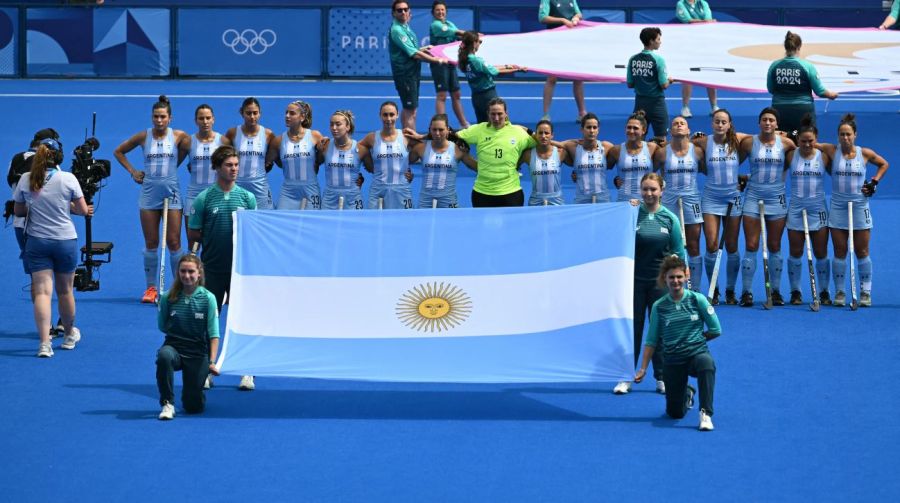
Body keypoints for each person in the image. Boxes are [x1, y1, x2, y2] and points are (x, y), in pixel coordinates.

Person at [13, 139, 92, 357]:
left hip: (37, 242)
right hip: (65, 241)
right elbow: (83, 210)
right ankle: (68, 336)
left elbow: (19, 212)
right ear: (58, 157)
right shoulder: (68, 179)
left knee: (42, 292)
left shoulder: (25, 179)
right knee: (65, 291)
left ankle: (44, 344)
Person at [187, 145, 257, 390]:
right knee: (209, 319)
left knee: (244, 320)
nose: (234, 169)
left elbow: (254, 234)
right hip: (212, 270)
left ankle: (247, 371)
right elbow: (194, 233)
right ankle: (208, 368)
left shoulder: (248, 198)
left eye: (236, 165)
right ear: (217, 168)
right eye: (229, 165)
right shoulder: (204, 198)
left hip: (240, 272)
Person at [114, 95, 190, 304]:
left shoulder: (179, 136)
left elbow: (187, 152)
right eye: (156, 117)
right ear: (152, 117)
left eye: (163, 117)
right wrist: (133, 172)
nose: (159, 120)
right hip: (148, 194)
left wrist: (174, 168)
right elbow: (119, 151)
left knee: (174, 242)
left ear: (170, 118)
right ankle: (151, 288)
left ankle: (178, 287)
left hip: (172, 192)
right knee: (151, 242)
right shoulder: (142, 137)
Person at [615, 173, 684, 396]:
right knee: (632, 330)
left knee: (659, 330)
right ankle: (626, 376)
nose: (649, 193)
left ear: (662, 191)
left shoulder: (670, 219)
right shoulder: (632, 214)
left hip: (660, 284)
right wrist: (627, 210)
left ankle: (661, 377)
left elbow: (678, 252)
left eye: (653, 189)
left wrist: (679, 280)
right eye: (645, 189)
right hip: (634, 281)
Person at [635, 255, 721, 431]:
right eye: (671, 277)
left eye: (679, 277)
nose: (676, 281)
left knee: (707, 363)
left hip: (696, 354)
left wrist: (697, 339)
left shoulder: (698, 300)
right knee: (675, 413)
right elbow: (651, 340)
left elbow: (716, 329)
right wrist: (643, 368)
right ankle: (687, 393)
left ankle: (705, 413)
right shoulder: (659, 306)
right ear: (664, 279)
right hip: (673, 360)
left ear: (686, 276)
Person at [815, 114, 889, 307]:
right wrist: (791, 133)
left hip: (859, 206)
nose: (845, 138)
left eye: (848, 134)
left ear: (855, 135)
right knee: (839, 251)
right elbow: (811, 143)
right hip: (838, 206)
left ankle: (865, 292)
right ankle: (840, 292)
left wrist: (874, 182)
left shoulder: (865, 153)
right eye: (841, 134)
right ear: (838, 136)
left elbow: (884, 164)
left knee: (862, 250)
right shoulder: (832, 150)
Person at [737, 107, 797, 307]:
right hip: (753, 197)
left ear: (777, 124)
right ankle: (746, 292)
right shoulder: (748, 143)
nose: (768, 123)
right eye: (764, 119)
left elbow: (797, 160)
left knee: (774, 246)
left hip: (776, 198)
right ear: (759, 122)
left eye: (771, 120)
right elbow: (732, 162)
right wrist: (743, 178)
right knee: (752, 245)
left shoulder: (787, 144)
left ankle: (777, 292)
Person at [693, 109, 748, 305]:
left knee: (732, 246)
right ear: (712, 123)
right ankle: (713, 289)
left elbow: (759, 140)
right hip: (711, 197)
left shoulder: (738, 140)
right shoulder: (704, 142)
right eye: (717, 121)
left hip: (733, 197)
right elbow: (683, 145)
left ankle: (731, 291)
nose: (720, 125)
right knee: (711, 245)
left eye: (723, 122)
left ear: (729, 124)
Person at [155, 254, 220, 420]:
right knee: (164, 356)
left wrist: (211, 362)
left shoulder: (208, 299)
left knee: (193, 406)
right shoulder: (167, 298)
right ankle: (167, 403)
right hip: (174, 348)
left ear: (199, 274)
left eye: (191, 271)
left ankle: (197, 389)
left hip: (197, 353)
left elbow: (213, 334)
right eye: (183, 271)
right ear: (178, 273)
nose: (187, 275)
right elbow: (162, 326)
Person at [447, 97, 537, 207]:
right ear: (488, 114)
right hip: (482, 192)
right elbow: (451, 136)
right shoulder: (478, 130)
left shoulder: (518, 132)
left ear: (506, 114)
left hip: (511, 192)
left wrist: (527, 130)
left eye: (500, 114)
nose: (496, 118)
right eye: (492, 114)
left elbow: (541, 141)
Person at [784, 115, 832, 305]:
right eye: (803, 141)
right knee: (795, 252)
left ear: (816, 139)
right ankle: (795, 292)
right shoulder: (790, 155)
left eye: (811, 141)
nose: (806, 144)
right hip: (796, 209)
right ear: (797, 140)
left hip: (818, 208)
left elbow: (839, 176)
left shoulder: (824, 157)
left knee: (821, 252)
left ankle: (824, 292)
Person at [655, 115, 705, 290]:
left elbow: (708, 170)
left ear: (688, 130)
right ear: (670, 130)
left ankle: (695, 289)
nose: (678, 125)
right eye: (675, 123)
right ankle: (671, 286)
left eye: (682, 123)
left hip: (692, 199)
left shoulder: (697, 151)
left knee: (693, 245)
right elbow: (651, 174)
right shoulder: (662, 153)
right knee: (670, 245)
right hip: (669, 201)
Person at [388, 0, 449, 131]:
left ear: (409, 11)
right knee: (411, 111)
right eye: (399, 10)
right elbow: (414, 54)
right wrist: (436, 60)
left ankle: (405, 139)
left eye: (405, 9)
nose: (403, 12)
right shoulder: (397, 30)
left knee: (408, 108)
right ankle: (412, 143)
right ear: (393, 13)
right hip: (405, 74)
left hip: (412, 72)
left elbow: (412, 49)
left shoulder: (405, 27)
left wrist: (426, 48)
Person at [7, 128, 60, 274]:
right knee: (49, 270)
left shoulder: (15, 159)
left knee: (34, 271)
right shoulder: (52, 165)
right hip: (45, 225)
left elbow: (12, 184)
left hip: (19, 223)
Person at [766, 31, 838, 139]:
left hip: (780, 110)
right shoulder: (807, 66)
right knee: (806, 141)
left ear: (785, 47)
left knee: (782, 143)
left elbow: (771, 89)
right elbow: (820, 91)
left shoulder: (774, 66)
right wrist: (831, 95)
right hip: (803, 111)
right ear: (799, 47)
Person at [183, 105, 228, 249]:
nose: (205, 121)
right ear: (196, 121)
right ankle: (193, 271)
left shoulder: (223, 141)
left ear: (213, 119)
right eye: (201, 118)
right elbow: (172, 164)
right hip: (194, 195)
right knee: (193, 242)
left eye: (208, 118)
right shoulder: (188, 142)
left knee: (215, 241)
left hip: (216, 195)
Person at [407, 113, 477, 208]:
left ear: (448, 130)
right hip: (425, 201)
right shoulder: (420, 148)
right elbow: (401, 162)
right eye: (434, 130)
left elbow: (478, 167)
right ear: (429, 130)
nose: (437, 133)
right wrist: (407, 173)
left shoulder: (458, 150)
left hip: (449, 201)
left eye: (441, 130)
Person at [457, 31, 526, 125]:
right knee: (501, 123)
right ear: (474, 43)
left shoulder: (466, 59)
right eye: (479, 42)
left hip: (476, 97)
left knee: (482, 125)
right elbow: (495, 71)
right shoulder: (476, 60)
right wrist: (517, 70)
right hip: (488, 96)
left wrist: (508, 66)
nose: (480, 44)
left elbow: (490, 68)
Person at [267, 100, 323, 210]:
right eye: (286, 112)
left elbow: (323, 158)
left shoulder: (315, 136)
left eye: (292, 113)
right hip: (288, 192)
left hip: (310, 190)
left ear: (302, 117)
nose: (287, 116)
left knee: (310, 224)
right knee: (283, 224)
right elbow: (270, 163)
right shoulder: (278, 141)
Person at [359, 101, 415, 209]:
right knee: (375, 224)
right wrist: (362, 169)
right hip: (378, 191)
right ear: (380, 115)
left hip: (402, 190)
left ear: (397, 115)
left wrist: (408, 170)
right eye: (385, 115)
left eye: (392, 114)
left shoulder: (406, 136)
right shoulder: (371, 138)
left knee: (402, 223)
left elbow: (429, 147)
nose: (388, 119)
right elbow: (351, 148)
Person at [538, 0, 586, 122]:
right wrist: (563, 20)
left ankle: (581, 113)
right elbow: (542, 17)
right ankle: (546, 114)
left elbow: (579, 14)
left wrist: (576, 17)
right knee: (552, 78)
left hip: (572, 41)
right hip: (555, 42)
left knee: (578, 78)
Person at [225, 97, 276, 210]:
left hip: (261, 189)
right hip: (237, 188)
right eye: (248, 113)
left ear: (260, 113)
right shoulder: (232, 133)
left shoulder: (268, 134)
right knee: (236, 225)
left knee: (263, 224)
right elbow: (223, 159)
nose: (252, 117)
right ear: (241, 113)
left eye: (255, 113)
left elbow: (274, 159)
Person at [626, 27, 674, 139]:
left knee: (637, 137)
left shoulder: (633, 59)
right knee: (661, 138)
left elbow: (630, 84)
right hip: (657, 104)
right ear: (651, 41)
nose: (660, 42)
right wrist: (670, 81)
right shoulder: (659, 60)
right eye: (658, 39)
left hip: (639, 103)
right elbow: (664, 85)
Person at [675, 0, 719, 118]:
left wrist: (706, 21)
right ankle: (685, 107)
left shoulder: (703, 3)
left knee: (710, 72)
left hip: (706, 43)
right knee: (688, 76)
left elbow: (708, 18)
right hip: (689, 43)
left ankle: (714, 106)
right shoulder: (681, 4)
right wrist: (706, 21)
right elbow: (688, 21)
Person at [429, 1, 469, 128]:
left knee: (456, 94)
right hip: (439, 64)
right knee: (442, 95)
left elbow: (459, 38)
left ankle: (463, 123)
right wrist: (472, 36)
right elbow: (457, 33)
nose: (440, 12)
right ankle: (441, 126)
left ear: (446, 11)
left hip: (451, 63)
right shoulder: (435, 25)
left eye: (442, 10)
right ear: (433, 13)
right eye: (437, 10)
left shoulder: (449, 23)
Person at [319, 110, 370, 210]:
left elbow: (374, 169)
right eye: (331, 124)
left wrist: (361, 179)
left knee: (353, 226)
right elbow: (314, 165)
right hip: (329, 199)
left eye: (338, 124)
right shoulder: (325, 145)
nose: (334, 128)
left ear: (348, 127)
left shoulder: (361, 149)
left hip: (353, 198)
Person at [562, 113, 615, 204]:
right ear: (582, 129)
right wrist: (574, 140)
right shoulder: (573, 147)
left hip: (603, 198)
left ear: (598, 130)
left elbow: (623, 158)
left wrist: (617, 178)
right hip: (581, 199)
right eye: (588, 127)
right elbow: (552, 143)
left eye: (595, 127)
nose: (592, 130)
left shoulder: (607, 146)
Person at [609, 111, 660, 202]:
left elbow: (668, 159)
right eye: (629, 127)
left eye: (635, 128)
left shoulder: (652, 148)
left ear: (643, 130)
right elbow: (603, 166)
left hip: (647, 201)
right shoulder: (616, 150)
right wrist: (577, 172)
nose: (631, 131)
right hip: (624, 201)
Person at [520, 119, 568, 206]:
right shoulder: (528, 154)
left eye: (546, 133)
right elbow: (514, 166)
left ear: (552, 135)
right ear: (536, 135)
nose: (543, 136)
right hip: (535, 201)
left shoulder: (561, 152)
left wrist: (575, 173)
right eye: (540, 133)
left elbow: (575, 161)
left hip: (557, 201)